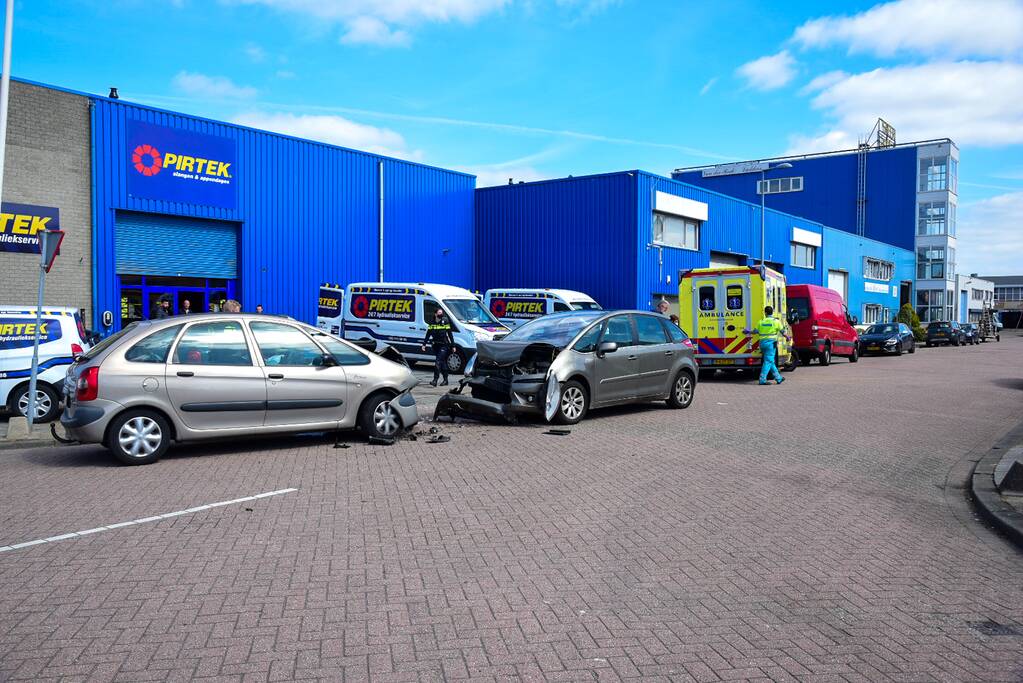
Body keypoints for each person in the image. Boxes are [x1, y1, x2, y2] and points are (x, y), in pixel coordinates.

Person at [748, 305, 790, 386]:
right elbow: (783, 332)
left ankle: (778, 378)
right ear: (772, 312)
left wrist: (748, 332)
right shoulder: (776, 321)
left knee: (770, 361)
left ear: (765, 313)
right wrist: (787, 337)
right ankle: (762, 379)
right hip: (771, 344)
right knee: (768, 361)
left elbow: (755, 331)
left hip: (762, 344)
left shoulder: (761, 321)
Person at [421, 308, 454, 386]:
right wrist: (424, 344)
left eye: (441, 313)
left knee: (438, 361)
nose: (441, 314)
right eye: (439, 313)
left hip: (444, 345)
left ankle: (435, 380)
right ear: (435, 314)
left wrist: (453, 345)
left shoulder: (445, 321)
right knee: (442, 362)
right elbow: (428, 334)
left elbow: (450, 334)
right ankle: (446, 380)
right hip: (436, 345)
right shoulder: (432, 323)